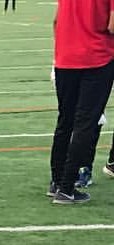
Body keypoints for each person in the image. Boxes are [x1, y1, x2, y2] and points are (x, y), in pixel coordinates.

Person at [48, 0, 114, 205]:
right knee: (86, 123)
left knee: (65, 121)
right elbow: (112, 26)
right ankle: (67, 187)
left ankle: (57, 182)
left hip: (65, 58)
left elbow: (56, 20)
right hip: (96, 59)